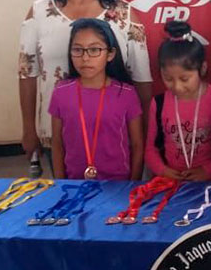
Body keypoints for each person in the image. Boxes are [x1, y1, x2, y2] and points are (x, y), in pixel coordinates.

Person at [19, 0, 152, 170]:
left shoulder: (124, 15)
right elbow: (27, 74)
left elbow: (142, 79)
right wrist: (29, 129)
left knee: (117, 204)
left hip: (115, 131)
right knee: (67, 200)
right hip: (59, 132)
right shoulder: (38, 13)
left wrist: (143, 133)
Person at [48, 19, 143, 180]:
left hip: (118, 185)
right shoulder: (61, 92)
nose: (85, 58)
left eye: (94, 50)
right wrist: (60, 183)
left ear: (110, 54)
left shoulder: (126, 94)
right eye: (78, 50)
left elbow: (137, 145)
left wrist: (132, 185)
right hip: (74, 184)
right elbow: (57, 143)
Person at [146, 20, 211, 182]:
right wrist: (163, 171)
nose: (177, 86)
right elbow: (150, 149)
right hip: (171, 182)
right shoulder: (159, 103)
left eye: (185, 78)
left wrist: (207, 171)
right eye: (168, 78)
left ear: (202, 69)